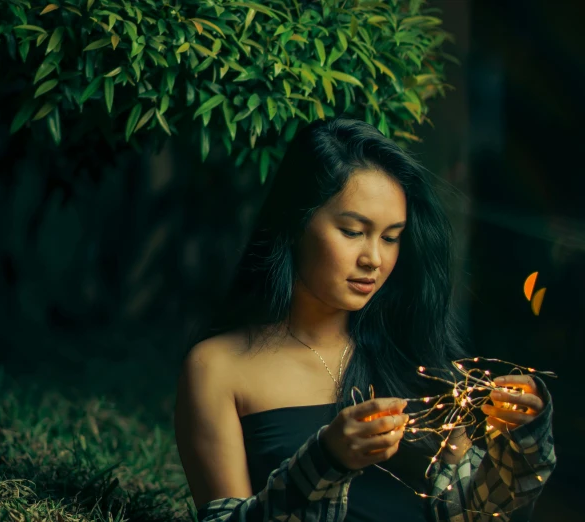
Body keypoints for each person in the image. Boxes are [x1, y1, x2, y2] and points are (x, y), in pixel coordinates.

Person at [174, 117, 556, 522]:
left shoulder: (415, 355)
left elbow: (467, 512)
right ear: (296, 220)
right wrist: (325, 461)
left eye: (391, 237)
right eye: (353, 231)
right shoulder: (218, 367)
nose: (374, 259)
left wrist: (522, 440)